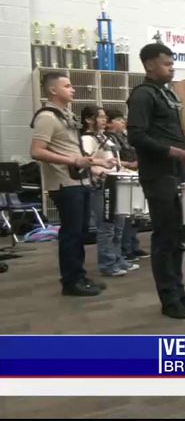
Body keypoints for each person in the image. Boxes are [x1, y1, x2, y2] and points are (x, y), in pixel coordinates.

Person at [127, 43, 185, 320]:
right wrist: (175, 152)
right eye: (166, 63)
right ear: (149, 64)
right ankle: (168, 298)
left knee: (180, 236)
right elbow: (136, 136)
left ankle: (179, 290)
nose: (172, 67)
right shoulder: (142, 95)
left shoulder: (168, 93)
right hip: (159, 175)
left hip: (178, 173)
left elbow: (170, 134)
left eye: (172, 63)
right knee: (165, 237)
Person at [30, 73, 114, 296]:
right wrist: (73, 161)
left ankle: (79, 276)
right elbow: (37, 151)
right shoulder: (47, 117)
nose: (73, 89)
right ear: (53, 91)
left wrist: (99, 161)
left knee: (80, 232)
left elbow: (72, 151)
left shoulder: (65, 115)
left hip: (77, 181)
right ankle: (71, 282)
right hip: (64, 184)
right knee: (71, 233)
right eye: (67, 86)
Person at [80, 105, 140, 277]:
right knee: (106, 227)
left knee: (118, 226)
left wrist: (123, 171)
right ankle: (107, 263)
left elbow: (115, 161)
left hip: (116, 184)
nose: (104, 120)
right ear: (88, 120)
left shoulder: (106, 137)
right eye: (100, 117)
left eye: (105, 117)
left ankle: (118, 258)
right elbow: (87, 163)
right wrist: (104, 172)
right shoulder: (87, 139)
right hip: (101, 186)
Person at [105, 110, 147, 263]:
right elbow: (111, 159)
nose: (122, 121)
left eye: (122, 119)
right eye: (118, 119)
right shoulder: (108, 138)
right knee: (125, 215)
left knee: (136, 213)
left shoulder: (126, 136)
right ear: (109, 123)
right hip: (121, 176)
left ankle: (133, 246)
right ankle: (125, 248)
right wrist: (129, 164)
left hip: (133, 175)